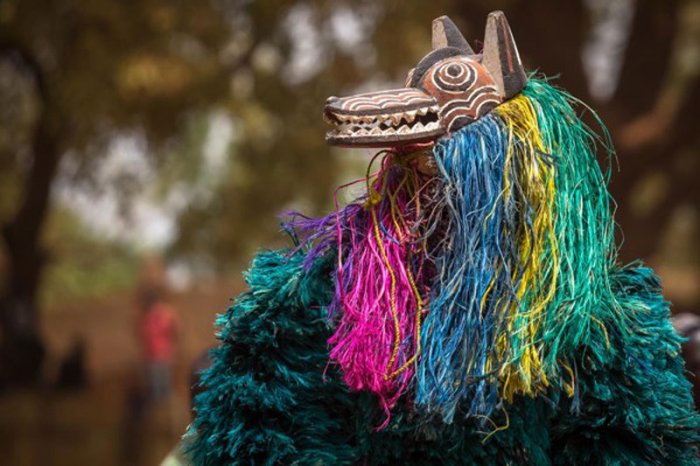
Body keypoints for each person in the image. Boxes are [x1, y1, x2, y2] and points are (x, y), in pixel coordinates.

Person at [138, 288, 179, 403]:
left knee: (160, 385)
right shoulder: (161, 313)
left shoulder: (159, 314)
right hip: (157, 353)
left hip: (159, 353)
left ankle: (162, 406)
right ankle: (162, 406)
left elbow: (175, 329)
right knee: (158, 384)